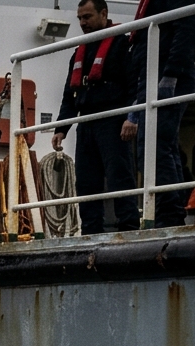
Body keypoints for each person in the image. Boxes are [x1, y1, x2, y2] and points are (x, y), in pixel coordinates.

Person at [53, 0, 139, 234]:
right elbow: (70, 94)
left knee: (119, 175)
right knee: (86, 181)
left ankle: (129, 227)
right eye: (80, 18)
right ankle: (90, 231)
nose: (83, 23)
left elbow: (134, 84)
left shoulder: (121, 44)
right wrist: (61, 128)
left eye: (87, 17)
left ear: (103, 14)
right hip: (86, 122)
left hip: (113, 119)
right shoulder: (79, 53)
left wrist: (132, 116)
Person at [122, 0, 195, 228]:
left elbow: (186, 29)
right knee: (161, 147)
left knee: (156, 147)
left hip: (166, 77)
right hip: (152, 78)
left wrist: (171, 75)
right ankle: (171, 211)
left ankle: (169, 215)